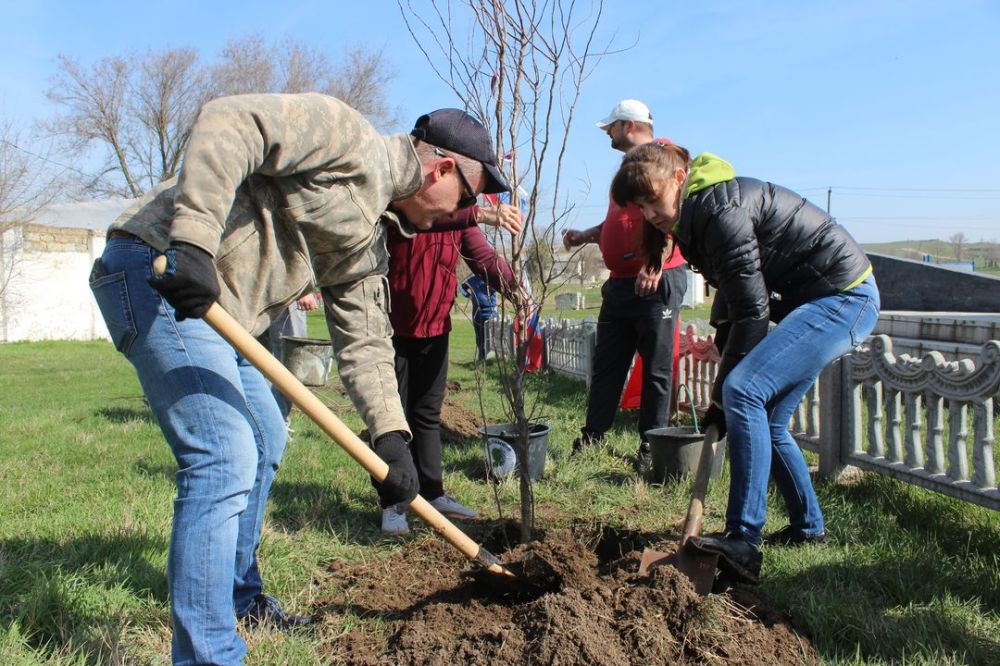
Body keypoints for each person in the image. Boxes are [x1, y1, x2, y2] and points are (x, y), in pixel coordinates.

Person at [88, 94, 509, 665]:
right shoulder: (346, 138)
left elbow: (363, 336)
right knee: (224, 455)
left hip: (226, 314)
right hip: (158, 266)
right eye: (465, 196)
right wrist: (194, 240)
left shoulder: (369, 236)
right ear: (440, 169)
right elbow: (231, 120)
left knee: (266, 435)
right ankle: (208, 655)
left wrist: (391, 436)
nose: (456, 214)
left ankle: (241, 597)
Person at [610, 142, 880, 585]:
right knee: (767, 419)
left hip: (842, 297)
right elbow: (734, 300)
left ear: (679, 179)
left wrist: (722, 392)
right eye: (640, 206)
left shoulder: (719, 210)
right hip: (816, 303)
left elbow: (753, 311)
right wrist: (721, 376)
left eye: (652, 200)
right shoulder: (697, 215)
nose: (650, 214)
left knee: (744, 391)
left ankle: (743, 538)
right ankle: (808, 528)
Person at [379, 203, 525, 534]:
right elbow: (424, 218)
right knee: (391, 418)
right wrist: (479, 213)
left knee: (427, 413)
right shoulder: (408, 202)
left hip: (434, 327)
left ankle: (432, 493)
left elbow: (483, 258)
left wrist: (514, 287)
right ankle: (394, 502)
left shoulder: (461, 217)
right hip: (391, 327)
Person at [562, 99, 687, 469]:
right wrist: (587, 234)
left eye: (611, 128)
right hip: (620, 285)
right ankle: (593, 437)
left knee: (656, 368)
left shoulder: (664, 159)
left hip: (655, 281)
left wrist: (656, 260)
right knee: (607, 364)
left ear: (628, 125)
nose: (608, 135)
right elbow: (620, 225)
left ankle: (653, 446)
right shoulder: (629, 169)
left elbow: (675, 214)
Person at [256, 292, 319, 422]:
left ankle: (275, 422)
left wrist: (304, 291)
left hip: (280, 293)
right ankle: (269, 421)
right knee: (256, 361)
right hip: (267, 295)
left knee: (286, 364)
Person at [460, 274, 497, 360]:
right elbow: (461, 288)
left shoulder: (490, 278)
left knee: (490, 338)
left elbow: (498, 288)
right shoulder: (472, 279)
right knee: (479, 337)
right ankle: (481, 359)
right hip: (477, 312)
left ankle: (490, 360)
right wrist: (469, 296)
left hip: (490, 312)